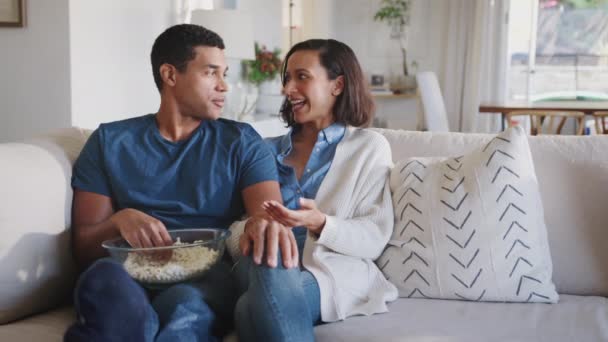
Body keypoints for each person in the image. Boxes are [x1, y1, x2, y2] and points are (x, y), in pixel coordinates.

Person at [64, 24, 298, 342]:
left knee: (184, 310)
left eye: (224, 74)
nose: (224, 86)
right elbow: (84, 250)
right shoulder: (109, 141)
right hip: (124, 272)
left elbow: (268, 219)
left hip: (203, 276)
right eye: (211, 73)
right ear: (170, 75)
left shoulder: (242, 142)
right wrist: (120, 221)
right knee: (109, 292)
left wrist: (263, 224)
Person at [230, 39, 399, 342]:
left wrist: (320, 223)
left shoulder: (368, 148)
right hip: (258, 267)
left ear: (337, 85)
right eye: (286, 78)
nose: (287, 88)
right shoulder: (263, 151)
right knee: (270, 252)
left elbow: (373, 237)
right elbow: (233, 227)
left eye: (302, 77)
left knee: (246, 310)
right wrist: (251, 228)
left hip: (326, 274)